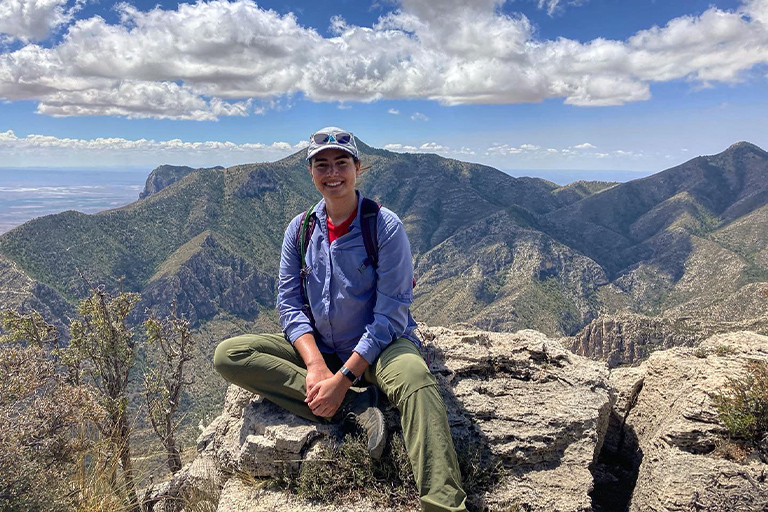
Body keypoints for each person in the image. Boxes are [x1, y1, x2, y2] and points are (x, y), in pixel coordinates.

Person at [214, 126, 467, 512]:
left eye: (341, 163)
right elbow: (289, 304)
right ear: (311, 172)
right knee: (230, 354)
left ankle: (444, 505)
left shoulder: (384, 227)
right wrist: (316, 367)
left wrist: (344, 376)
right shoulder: (299, 231)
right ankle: (353, 408)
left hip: (380, 348)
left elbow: (390, 314)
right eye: (322, 165)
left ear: (358, 168)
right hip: (323, 348)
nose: (333, 173)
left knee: (416, 381)